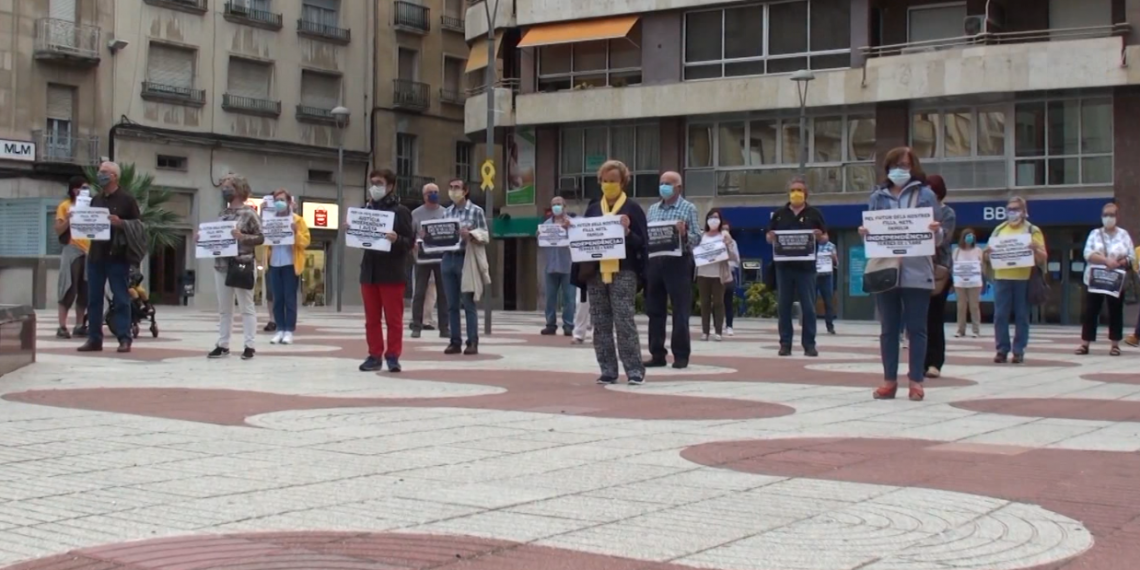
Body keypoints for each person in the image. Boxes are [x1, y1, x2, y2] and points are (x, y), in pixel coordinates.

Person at [861, 147, 943, 401]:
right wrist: (865, 232)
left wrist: (934, 231)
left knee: (917, 329)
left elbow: (939, 237)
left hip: (917, 269)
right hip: (885, 269)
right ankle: (889, 381)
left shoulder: (926, 195)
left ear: (914, 167)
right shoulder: (878, 196)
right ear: (888, 168)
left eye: (906, 165)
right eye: (897, 165)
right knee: (888, 329)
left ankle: (916, 382)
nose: (901, 170)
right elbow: (872, 229)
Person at [571, 160, 648, 385]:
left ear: (623, 182)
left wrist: (627, 232)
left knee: (624, 321)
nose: (608, 185)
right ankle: (608, 369)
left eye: (613, 181)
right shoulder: (594, 208)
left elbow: (642, 243)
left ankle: (634, 370)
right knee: (601, 322)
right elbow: (584, 237)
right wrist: (571, 230)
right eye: (605, 181)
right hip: (595, 272)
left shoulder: (632, 208)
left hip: (624, 271)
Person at [78, 162, 141, 354]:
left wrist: (120, 223)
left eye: (104, 172)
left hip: (117, 255)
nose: (100, 175)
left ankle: (124, 338)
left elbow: (138, 225)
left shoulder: (127, 199)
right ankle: (94, 339)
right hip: (96, 254)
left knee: (121, 297)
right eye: (99, 172)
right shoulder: (96, 199)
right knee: (94, 298)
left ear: (114, 176)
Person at [358, 169, 415, 372]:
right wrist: (352, 229)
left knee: (393, 319)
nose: (375, 187)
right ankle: (374, 355)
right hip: (369, 272)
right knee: (371, 319)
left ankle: (393, 356)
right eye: (372, 182)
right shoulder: (365, 209)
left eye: (379, 183)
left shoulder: (400, 212)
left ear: (390, 186)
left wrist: (396, 239)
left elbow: (410, 241)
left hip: (392, 273)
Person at [203, 174, 264, 360]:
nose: (224, 190)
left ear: (238, 189)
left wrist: (242, 237)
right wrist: (203, 239)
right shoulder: (223, 214)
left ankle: (249, 345)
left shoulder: (249, 213)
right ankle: (223, 344)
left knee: (246, 306)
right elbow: (216, 238)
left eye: (228, 186)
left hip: (242, 263)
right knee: (224, 308)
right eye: (223, 187)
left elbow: (261, 237)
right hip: (221, 264)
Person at [643, 171, 700, 369]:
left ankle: (681, 355)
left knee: (680, 311)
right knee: (654, 310)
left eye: (668, 183)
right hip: (656, 262)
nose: (664, 186)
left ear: (679, 188)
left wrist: (684, 234)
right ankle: (657, 353)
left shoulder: (688, 208)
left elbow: (697, 237)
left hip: (679, 262)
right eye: (662, 183)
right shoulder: (652, 209)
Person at [767, 176, 826, 357]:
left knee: (808, 306)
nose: (796, 193)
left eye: (799, 190)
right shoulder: (779, 214)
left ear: (806, 194)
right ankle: (785, 344)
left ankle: (809, 344)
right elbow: (769, 237)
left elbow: (825, 237)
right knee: (783, 306)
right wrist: (771, 237)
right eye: (793, 190)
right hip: (784, 267)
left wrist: (819, 236)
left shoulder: (814, 213)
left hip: (806, 268)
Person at [985, 196, 1046, 364]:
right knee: (1000, 316)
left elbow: (1043, 257)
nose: (1012, 213)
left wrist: (1035, 249)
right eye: (1009, 209)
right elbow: (988, 255)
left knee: (1022, 316)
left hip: (1024, 278)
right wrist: (987, 253)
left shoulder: (1032, 231)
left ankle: (1018, 350)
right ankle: (1002, 350)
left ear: (1024, 212)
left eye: (1016, 209)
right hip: (1002, 277)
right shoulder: (999, 230)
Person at [1076, 201, 1134, 356]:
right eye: (1106, 215)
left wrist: (1119, 262)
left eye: (1112, 215)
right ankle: (1085, 344)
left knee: (1115, 311)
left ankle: (1115, 345)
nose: (1109, 218)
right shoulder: (1095, 234)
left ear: (1117, 216)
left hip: (1115, 279)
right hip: (1096, 279)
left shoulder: (1124, 235)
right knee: (1091, 311)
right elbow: (1087, 253)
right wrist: (1105, 261)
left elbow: (1131, 257)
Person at [441, 179, 487, 355]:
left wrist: (471, 234)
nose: (453, 191)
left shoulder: (476, 211)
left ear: (465, 191)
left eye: (457, 188)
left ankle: (472, 341)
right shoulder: (447, 212)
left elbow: (484, 235)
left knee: (468, 302)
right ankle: (455, 341)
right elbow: (441, 235)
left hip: (465, 258)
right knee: (451, 304)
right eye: (451, 187)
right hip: (448, 258)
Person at [266, 188, 311, 345]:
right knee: (277, 298)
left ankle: (289, 330)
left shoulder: (297, 220)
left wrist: (296, 233)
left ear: (289, 202)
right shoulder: (269, 220)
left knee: (289, 298)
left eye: (282, 200)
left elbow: (306, 242)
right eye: (276, 200)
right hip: (274, 264)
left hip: (290, 263)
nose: (279, 203)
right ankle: (279, 329)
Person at [924, 175, 956, 379]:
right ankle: (921, 360)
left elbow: (945, 240)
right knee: (919, 318)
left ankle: (935, 361)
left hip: (938, 271)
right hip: (918, 268)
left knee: (935, 317)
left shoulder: (947, 213)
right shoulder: (917, 212)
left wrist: (936, 232)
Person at [410, 183, 448, 339]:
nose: (433, 194)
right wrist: (414, 244)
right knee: (419, 293)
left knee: (443, 293)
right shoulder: (416, 214)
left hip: (441, 257)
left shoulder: (446, 213)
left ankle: (444, 327)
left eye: (436, 192)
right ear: (424, 196)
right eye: (430, 192)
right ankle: (417, 326)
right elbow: (410, 234)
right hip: (422, 258)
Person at [54, 176, 90, 339]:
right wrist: (69, 218)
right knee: (69, 288)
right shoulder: (65, 206)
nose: (83, 191)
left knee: (85, 290)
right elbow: (59, 230)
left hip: (89, 251)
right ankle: (62, 326)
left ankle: (80, 324)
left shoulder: (91, 206)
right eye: (81, 188)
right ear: (73, 189)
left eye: (86, 188)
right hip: (72, 249)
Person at [696, 208, 738, 341]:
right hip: (703, 273)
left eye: (716, 217)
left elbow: (734, 257)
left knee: (719, 303)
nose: (713, 220)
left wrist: (728, 245)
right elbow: (695, 251)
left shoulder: (724, 235)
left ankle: (718, 331)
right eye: (710, 217)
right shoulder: (701, 236)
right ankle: (705, 331)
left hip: (718, 274)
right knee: (705, 303)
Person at [540, 196, 575, 336]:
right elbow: (541, 242)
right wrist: (539, 235)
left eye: (559, 204)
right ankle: (550, 324)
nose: (556, 207)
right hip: (550, 266)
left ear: (564, 206)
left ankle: (568, 325)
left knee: (569, 298)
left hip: (568, 266)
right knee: (550, 298)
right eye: (554, 204)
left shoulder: (572, 223)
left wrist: (569, 228)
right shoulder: (546, 225)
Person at [954, 228, 984, 338]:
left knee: (974, 306)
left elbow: (981, 265)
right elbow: (954, 266)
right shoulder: (957, 251)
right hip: (960, 283)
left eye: (972, 236)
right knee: (961, 306)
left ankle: (976, 330)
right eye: (968, 236)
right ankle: (960, 330)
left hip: (974, 283)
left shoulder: (978, 250)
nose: (970, 238)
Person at [815, 231, 839, 335]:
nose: (824, 237)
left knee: (828, 301)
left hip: (827, 276)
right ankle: (809, 324)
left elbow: (836, 264)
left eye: (826, 235)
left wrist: (833, 258)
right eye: (822, 235)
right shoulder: (813, 245)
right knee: (811, 300)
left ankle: (830, 326)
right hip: (814, 275)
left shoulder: (831, 246)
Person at [723, 220, 741, 336]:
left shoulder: (733, 243)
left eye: (727, 229)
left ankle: (729, 326)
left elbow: (737, 261)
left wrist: (728, 248)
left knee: (728, 301)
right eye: (723, 229)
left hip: (729, 272)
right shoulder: (714, 242)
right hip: (717, 273)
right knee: (717, 302)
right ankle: (716, 325)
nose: (725, 231)